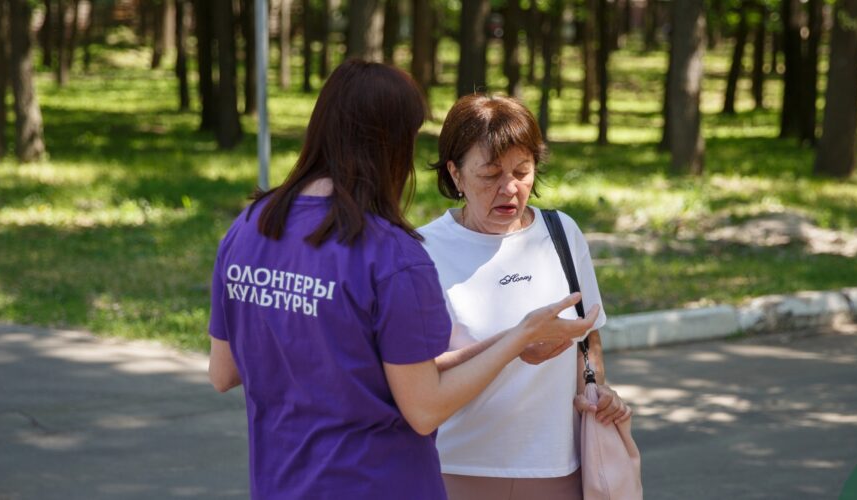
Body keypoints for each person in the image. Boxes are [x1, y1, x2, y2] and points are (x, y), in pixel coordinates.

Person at [206, 62, 600, 499]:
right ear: (390, 144)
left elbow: (224, 372)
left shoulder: (249, 227)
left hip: (280, 482)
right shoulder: (393, 255)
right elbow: (425, 407)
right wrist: (519, 338)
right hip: (377, 482)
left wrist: (512, 337)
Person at [419, 94, 632, 500]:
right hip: (456, 467)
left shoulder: (561, 233)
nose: (510, 189)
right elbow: (417, 374)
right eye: (490, 175)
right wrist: (517, 341)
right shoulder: (422, 250)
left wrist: (597, 392)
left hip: (557, 467)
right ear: (455, 173)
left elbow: (587, 337)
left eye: (522, 171)